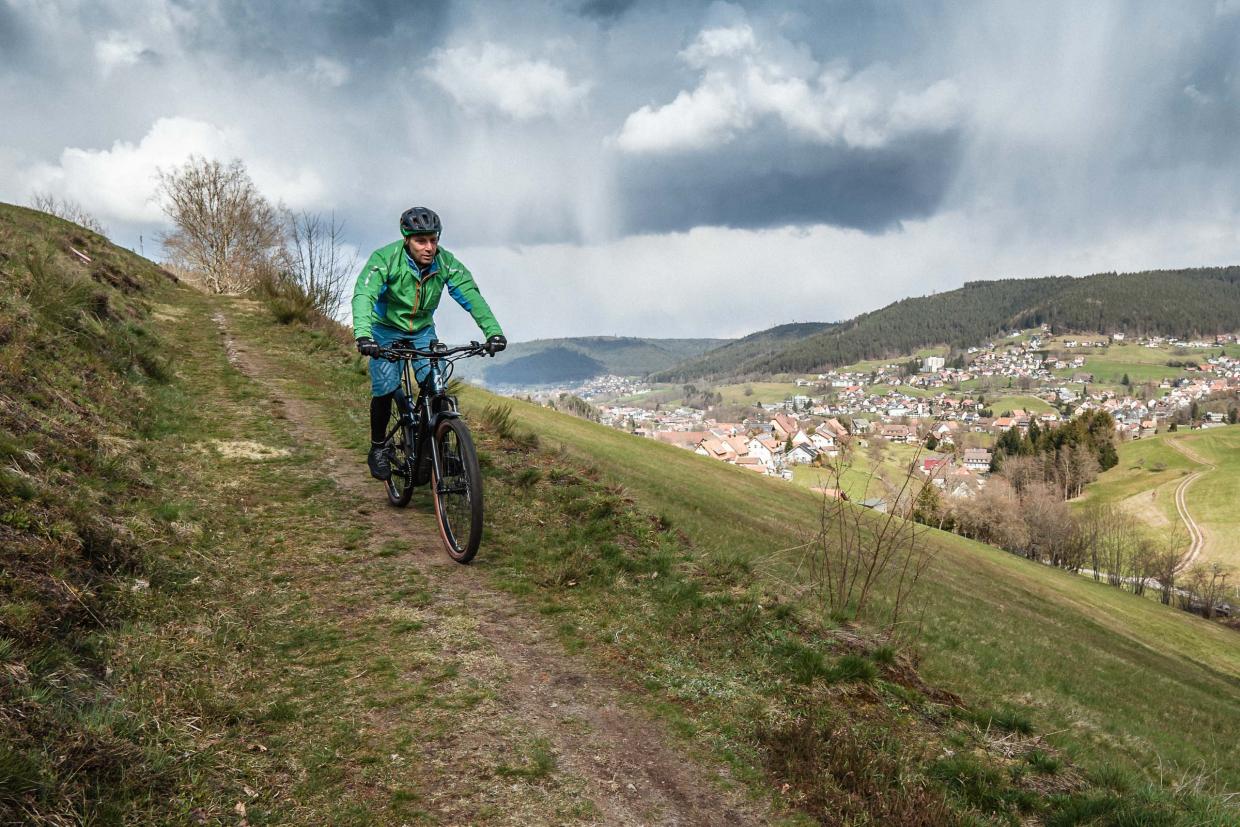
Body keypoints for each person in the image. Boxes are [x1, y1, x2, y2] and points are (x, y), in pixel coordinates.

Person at [352, 206, 506, 480]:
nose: (429, 247)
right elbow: (365, 295)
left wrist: (493, 332)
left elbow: (470, 295)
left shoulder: (445, 262)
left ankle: (439, 449)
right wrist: (364, 335)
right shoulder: (385, 259)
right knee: (385, 389)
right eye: (421, 241)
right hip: (385, 330)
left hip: (422, 330)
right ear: (406, 240)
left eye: (433, 240)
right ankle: (378, 448)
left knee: (436, 387)